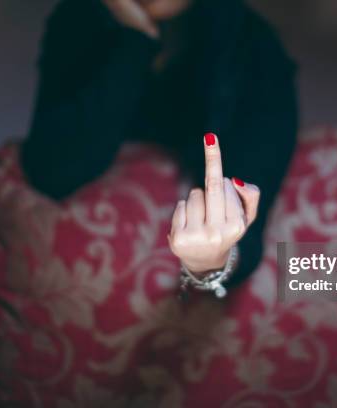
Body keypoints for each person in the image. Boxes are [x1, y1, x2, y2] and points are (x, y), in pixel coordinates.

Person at [20, 0, 298, 287]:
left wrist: (209, 264)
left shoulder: (255, 49)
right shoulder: (78, 19)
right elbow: (51, 170)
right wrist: (136, 37)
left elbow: (245, 231)